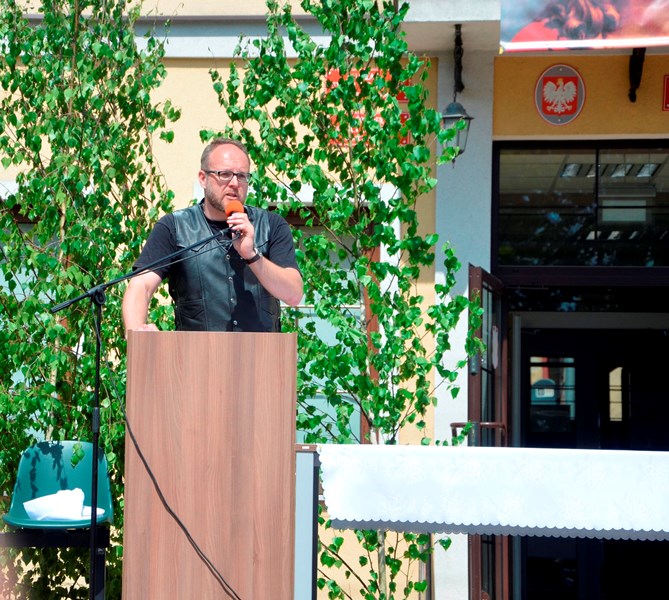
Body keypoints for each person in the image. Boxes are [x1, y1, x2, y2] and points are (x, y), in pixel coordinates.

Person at [122, 137, 303, 333]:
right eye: (224, 174)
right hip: (196, 352)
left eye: (242, 176)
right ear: (203, 178)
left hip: (261, 352)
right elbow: (141, 285)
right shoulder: (174, 227)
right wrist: (137, 334)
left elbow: (293, 294)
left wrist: (252, 256)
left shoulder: (271, 225)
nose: (234, 183)